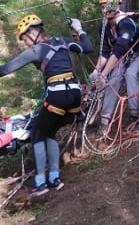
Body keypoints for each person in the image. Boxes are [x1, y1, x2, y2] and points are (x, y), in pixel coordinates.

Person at [0, 14, 93, 196]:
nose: (25, 43)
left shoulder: (36, 51)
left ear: (34, 32)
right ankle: (55, 179)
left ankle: (41, 183)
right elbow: (87, 48)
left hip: (57, 96)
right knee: (48, 132)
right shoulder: (63, 41)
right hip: (75, 96)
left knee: (36, 133)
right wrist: (79, 29)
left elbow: (4, 70)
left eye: (25, 38)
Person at [90, 0, 139, 139]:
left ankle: (137, 116)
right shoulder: (104, 27)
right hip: (123, 57)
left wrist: (103, 74)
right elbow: (105, 52)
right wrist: (97, 71)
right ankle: (104, 121)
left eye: (109, 6)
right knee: (112, 82)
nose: (106, 10)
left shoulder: (126, 23)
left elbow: (119, 49)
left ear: (118, 6)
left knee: (130, 74)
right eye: (103, 7)